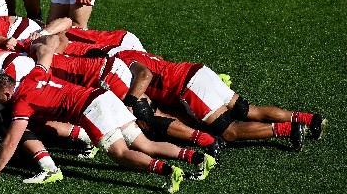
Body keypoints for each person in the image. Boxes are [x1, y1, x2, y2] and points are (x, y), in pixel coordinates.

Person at [0, 37, 195, 193]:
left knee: (119, 154)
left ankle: (168, 171)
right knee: (145, 144)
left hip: (92, 110)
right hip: (103, 96)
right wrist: (33, 44)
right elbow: (46, 51)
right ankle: (197, 158)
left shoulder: (21, 103)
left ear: (8, 92)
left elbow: (11, 141)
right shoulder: (34, 74)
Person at [115, 50, 327, 150]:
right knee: (248, 110)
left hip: (188, 86)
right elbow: (158, 60)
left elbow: (145, 76)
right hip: (198, 72)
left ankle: (289, 130)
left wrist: (131, 101)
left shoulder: (120, 62)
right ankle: (310, 119)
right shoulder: (131, 52)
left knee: (230, 131)